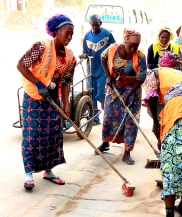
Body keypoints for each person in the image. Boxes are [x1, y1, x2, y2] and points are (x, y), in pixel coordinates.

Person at [16, 14, 76, 190]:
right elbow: (21, 65)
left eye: (72, 34)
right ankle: (28, 174)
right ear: (57, 32)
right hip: (34, 96)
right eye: (66, 33)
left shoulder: (71, 57)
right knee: (32, 135)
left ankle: (48, 171)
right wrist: (38, 83)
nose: (69, 37)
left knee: (53, 135)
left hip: (52, 98)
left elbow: (66, 82)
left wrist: (66, 104)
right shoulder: (41, 47)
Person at [141, 66, 182, 217]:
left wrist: (155, 125)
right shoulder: (180, 74)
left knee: (171, 164)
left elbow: (151, 97)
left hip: (179, 112)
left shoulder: (152, 73)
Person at [96, 29, 147, 165]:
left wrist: (129, 95)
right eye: (131, 46)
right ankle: (105, 142)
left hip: (133, 90)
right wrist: (108, 75)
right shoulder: (113, 49)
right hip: (115, 87)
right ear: (125, 41)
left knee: (130, 121)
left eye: (136, 46)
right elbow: (103, 57)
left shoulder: (140, 56)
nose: (134, 49)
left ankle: (127, 152)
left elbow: (141, 78)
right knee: (108, 115)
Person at [80, 14, 116, 125]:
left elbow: (115, 49)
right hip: (91, 69)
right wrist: (83, 55)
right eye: (93, 25)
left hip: (103, 70)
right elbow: (85, 51)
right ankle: (95, 118)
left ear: (101, 23)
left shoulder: (107, 35)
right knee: (91, 94)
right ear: (90, 24)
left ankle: (108, 114)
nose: (95, 27)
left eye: (97, 25)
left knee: (101, 93)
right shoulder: (87, 36)